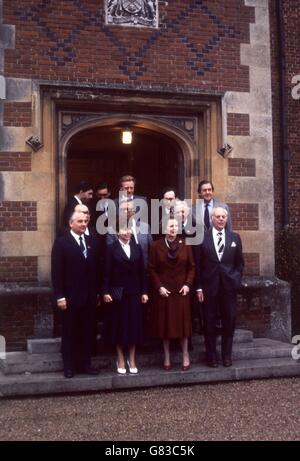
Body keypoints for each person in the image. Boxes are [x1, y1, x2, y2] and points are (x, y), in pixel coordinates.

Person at [51, 211, 101, 378]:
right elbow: (56, 272)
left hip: (88, 298)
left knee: (86, 332)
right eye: (79, 221)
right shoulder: (61, 243)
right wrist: (59, 296)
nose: (83, 224)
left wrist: (97, 294)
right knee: (70, 333)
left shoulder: (91, 241)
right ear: (71, 223)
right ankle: (69, 366)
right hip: (70, 298)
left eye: (85, 221)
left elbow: (95, 271)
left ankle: (85, 364)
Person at [196, 207, 244, 368]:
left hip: (229, 287)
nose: (221, 219)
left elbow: (240, 263)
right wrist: (199, 287)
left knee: (229, 321)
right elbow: (198, 266)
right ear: (212, 218)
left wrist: (236, 279)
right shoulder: (202, 238)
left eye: (224, 216)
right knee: (209, 322)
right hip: (210, 287)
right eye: (218, 216)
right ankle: (211, 356)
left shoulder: (234, 238)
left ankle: (227, 356)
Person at [148, 218, 195, 371]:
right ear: (164, 228)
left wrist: (188, 284)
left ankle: (185, 355)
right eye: (170, 226)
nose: (173, 229)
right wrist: (159, 286)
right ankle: (167, 356)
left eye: (175, 226)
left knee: (183, 326)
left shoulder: (186, 245)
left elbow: (192, 267)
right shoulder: (156, 246)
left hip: (181, 291)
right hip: (165, 292)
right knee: (165, 326)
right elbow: (152, 268)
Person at [102, 224, 148, 375]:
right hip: (117, 292)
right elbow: (106, 272)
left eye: (129, 229)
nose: (127, 232)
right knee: (119, 325)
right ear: (117, 232)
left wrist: (144, 291)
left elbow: (142, 272)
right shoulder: (111, 248)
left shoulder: (137, 247)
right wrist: (105, 291)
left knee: (134, 325)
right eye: (123, 229)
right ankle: (120, 358)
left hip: (134, 292)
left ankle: (132, 359)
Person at [107, 199, 153, 269]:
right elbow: (109, 255)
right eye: (123, 209)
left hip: (144, 270)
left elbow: (151, 249)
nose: (127, 211)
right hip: (122, 272)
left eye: (129, 209)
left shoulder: (145, 227)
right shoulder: (112, 230)